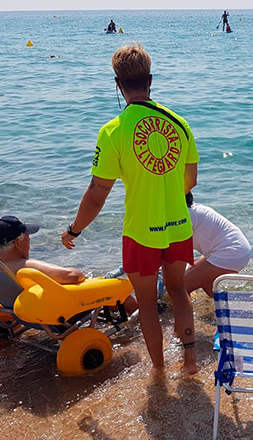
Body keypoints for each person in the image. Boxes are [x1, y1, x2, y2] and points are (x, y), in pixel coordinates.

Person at [61, 43, 199, 375]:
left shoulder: (113, 131)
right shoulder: (179, 123)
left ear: (117, 84)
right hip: (179, 225)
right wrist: (164, 193)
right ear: (150, 80)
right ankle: (191, 362)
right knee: (179, 291)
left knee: (148, 306)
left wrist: (74, 230)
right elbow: (190, 180)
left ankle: (160, 372)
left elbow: (97, 194)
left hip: (140, 231)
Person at [185, 191, 251, 296]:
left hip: (231, 252)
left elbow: (178, 251)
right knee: (200, 280)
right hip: (234, 250)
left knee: (181, 286)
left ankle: (179, 312)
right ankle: (220, 305)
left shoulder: (188, 215)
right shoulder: (195, 209)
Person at [0, 215, 86, 284]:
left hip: (5, 307)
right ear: (17, 242)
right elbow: (73, 275)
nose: (29, 238)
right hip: (37, 310)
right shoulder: (24, 266)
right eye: (27, 234)